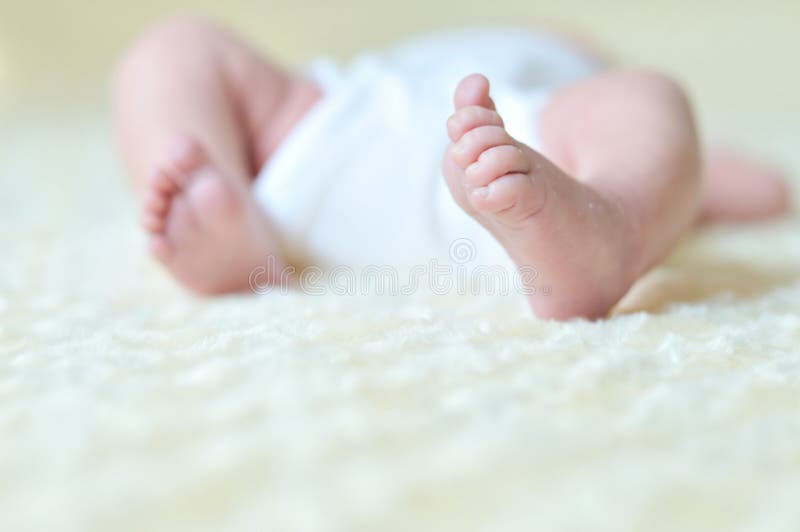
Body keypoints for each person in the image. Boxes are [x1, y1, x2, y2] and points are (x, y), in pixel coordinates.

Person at [113, 17, 790, 320]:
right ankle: (227, 220)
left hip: (540, 160)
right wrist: (689, 173)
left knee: (648, 98)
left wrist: (695, 177)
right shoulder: (392, 74)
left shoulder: (586, 91)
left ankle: (603, 229)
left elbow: (749, 186)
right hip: (323, 140)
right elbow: (718, 178)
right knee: (173, 48)